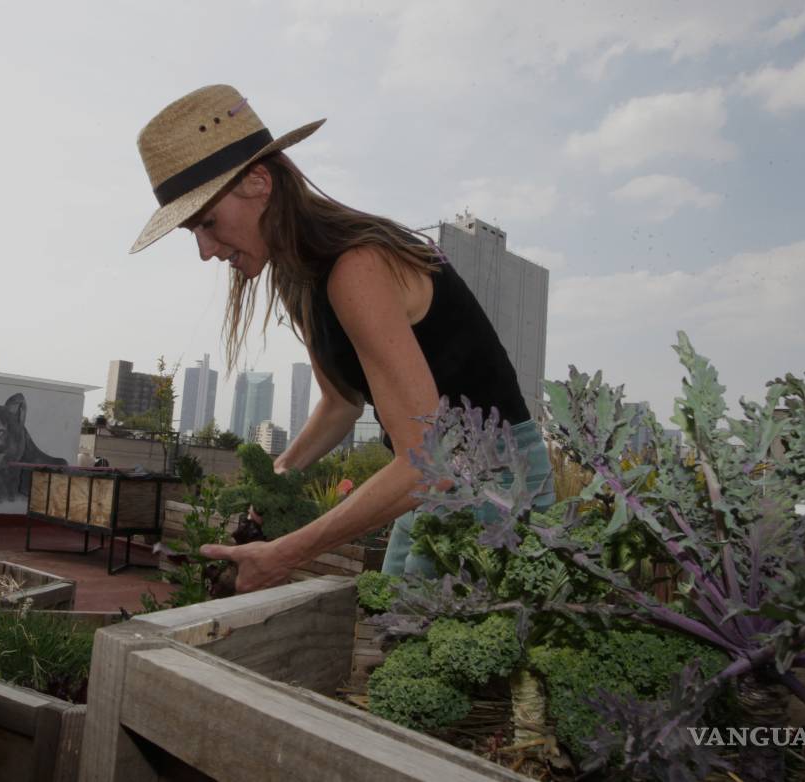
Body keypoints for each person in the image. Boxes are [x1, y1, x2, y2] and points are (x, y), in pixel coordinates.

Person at [129, 85, 551, 592]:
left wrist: (286, 553)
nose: (204, 250)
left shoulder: (357, 268)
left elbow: (425, 462)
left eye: (208, 222)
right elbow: (339, 403)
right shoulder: (297, 278)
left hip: (498, 483)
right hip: (437, 480)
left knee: (412, 646)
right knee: (391, 628)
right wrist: (276, 478)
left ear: (259, 183)